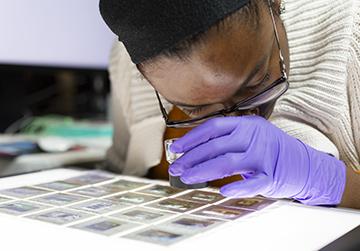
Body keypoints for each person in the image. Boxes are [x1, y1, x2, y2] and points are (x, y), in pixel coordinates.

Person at [99, 0, 360, 208]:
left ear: (275, 4)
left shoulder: (351, 32)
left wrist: (326, 180)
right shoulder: (128, 63)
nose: (236, 119)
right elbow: (117, 173)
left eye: (256, 82)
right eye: (196, 108)